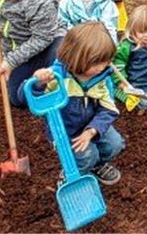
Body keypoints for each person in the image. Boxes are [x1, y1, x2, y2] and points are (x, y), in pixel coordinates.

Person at [19, 22, 125, 185]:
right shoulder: (56, 77)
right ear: (76, 58)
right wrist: (38, 83)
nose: (102, 67)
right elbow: (24, 96)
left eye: (105, 61)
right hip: (66, 131)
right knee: (86, 155)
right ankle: (73, 174)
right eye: (97, 62)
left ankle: (97, 165)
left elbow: (109, 109)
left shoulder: (102, 78)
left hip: (92, 125)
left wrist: (92, 131)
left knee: (115, 143)